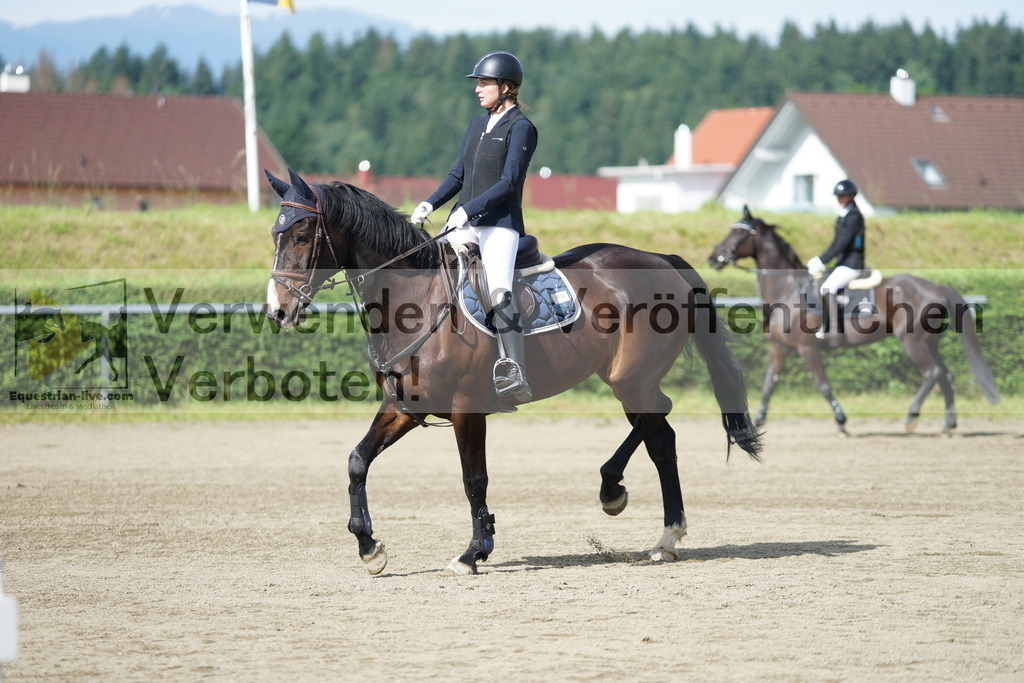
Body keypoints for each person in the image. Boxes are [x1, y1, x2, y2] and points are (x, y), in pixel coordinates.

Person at [410, 51, 538, 405]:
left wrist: (468, 210)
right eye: (478, 83)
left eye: (484, 83)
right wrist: (430, 204)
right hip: (463, 221)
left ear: (506, 88)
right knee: (428, 271)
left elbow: (509, 183)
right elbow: (457, 175)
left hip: (499, 224)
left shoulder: (522, 127)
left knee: (498, 288)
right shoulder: (476, 126)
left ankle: (514, 368)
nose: (478, 89)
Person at [806, 179, 866, 340]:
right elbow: (836, 242)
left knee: (828, 288)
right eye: (837, 196)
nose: (839, 199)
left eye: (842, 196)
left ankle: (834, 328)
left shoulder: (854, 216)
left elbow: (842, 242)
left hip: (852, 264)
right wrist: (822, 260)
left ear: (851, 196)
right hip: (843, 263)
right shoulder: (844, 216)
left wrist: (822, 260)